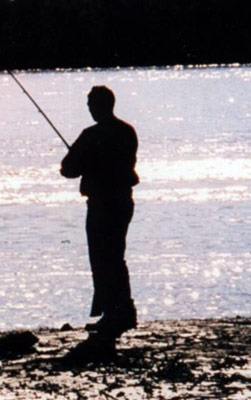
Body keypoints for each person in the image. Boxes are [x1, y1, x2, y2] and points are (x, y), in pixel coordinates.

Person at [61, 85, 139, 351]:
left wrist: (84, 162)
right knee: (115, 256)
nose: (89, 109)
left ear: (98, 106)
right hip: (123, 202)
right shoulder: (127, 132)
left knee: (102, 258)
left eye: (91, 104)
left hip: (101, 205)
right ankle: (120, 312)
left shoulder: (91, 135)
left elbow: (67, 169)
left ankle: (115, 313)